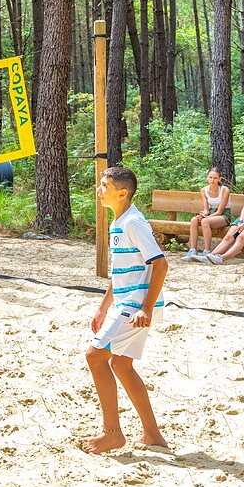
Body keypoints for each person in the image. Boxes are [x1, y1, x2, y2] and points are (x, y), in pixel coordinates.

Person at [81, 165, 169, 454]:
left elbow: (161, 263)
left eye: (104, 185)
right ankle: (152, 434)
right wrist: (103, 307)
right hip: (125, 305)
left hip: (135, 308)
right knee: (120, 364)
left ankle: (112, 434)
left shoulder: (133, 222)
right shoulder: (118, 221)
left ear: (122, 193)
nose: (99, 189)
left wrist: (145, 307)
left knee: (95, 357)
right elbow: (118, 274)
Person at [181, 166, 232, 261]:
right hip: (211, 214)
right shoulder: (204, 190)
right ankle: (192, 250)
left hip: (223, 215)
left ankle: (207, 252)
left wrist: (205, 218)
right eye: (210, 177)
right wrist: (203, 214)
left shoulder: (225, 190)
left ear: (220, 179)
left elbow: (220, 211)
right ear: (207, 177)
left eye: (215, 178)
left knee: (205, 222)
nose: (212, 180)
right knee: (194, 220)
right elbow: (206, 209)